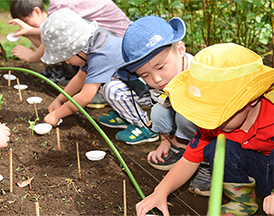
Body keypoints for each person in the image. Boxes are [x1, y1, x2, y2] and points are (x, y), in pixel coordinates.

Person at [135, 43, 274, 216]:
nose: (210, 120)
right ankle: (242, 202)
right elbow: (188, 161)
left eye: (218, 112)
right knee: (216, 149)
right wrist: (160, 192)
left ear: (252, 99)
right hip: (257, 172)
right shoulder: (213, 124)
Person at [115, 15, 209, 193]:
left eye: (160, 67)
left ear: (180, 49)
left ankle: (206, 161)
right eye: (145, 75)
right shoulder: (161, 82)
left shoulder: (200, 75)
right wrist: (164, 140)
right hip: (186, 123)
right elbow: (161, 105)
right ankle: (178, 147)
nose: (156, 79)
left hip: (212, 131)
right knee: (158, 111)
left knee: (185, 116)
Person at [40, 7, 157, 146]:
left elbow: (84, 97)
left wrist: (56, 115)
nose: (66, 62)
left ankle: (144, 126)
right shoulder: (92, 47)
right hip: (133, 84)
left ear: (76, 49)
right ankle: (124, 115)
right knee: (99, 84)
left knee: (110, 89)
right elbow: (79, 78)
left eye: (66, 57)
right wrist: (60, 100)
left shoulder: (100, 56)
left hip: (151, 91)